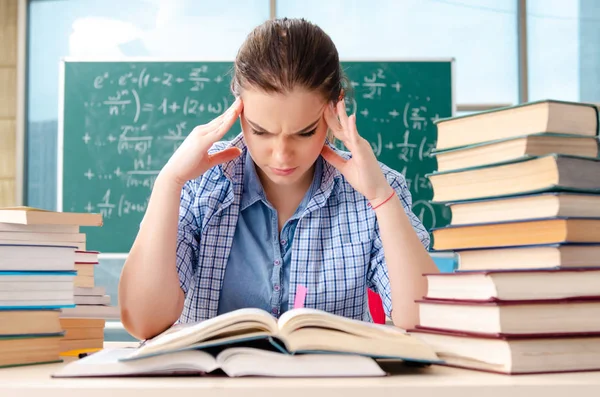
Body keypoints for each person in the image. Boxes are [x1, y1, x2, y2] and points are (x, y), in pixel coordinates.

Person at [119, 17, 439, 340]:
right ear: (238, 109)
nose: (282, 155)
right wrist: (169, 182)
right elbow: (144, 320)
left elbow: (427, 319)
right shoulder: (202, 183)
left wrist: (381, 197)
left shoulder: (376, 189)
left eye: (304, 132)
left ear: (334, 107)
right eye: (261, 131)